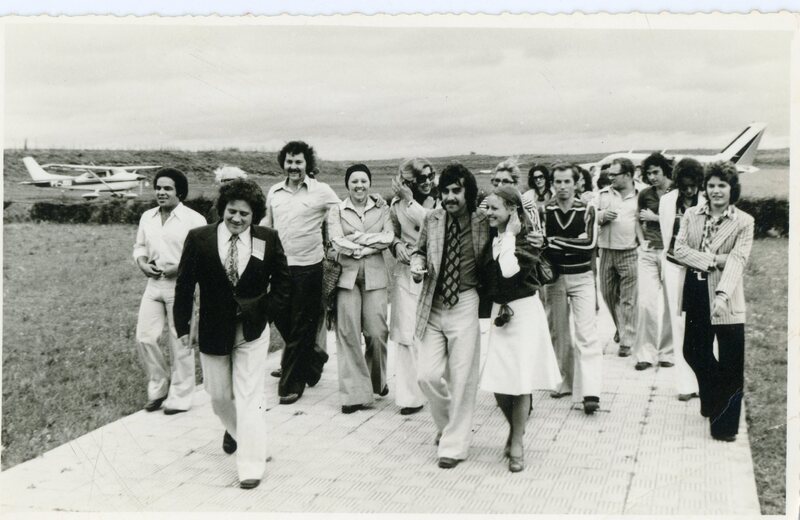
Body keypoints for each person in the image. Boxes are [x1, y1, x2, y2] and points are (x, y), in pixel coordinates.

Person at [173, 179, 291, 489]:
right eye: (231, 212)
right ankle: (247, 438)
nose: (237, 219)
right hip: (213, 328)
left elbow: (283, 282)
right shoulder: (199, 238)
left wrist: (266, 311)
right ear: (222, 209)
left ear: (255, 216)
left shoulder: (267, 238)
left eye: (244, 214)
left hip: (252, 330)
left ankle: (250, 465)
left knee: (250, 396)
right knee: (219, 396)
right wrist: (182, 326)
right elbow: (184, 285)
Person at [411, 163, 489, 469]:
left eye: (456, 190)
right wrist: (417, 265)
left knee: (462, 378)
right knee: (426, 375)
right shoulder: (432, 218)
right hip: (433, 301)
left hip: (466, 302)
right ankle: (447, 427)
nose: (449, 197)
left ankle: (454, 446)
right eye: (445, 191)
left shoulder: (483, 220)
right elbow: (419, 251)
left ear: (469, 192)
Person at [480, 186, 561, 472]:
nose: (489, 213)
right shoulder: (490, 236)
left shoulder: (528, 240)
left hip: (524, 313)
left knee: (521, 380)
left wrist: (511, 236)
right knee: (498, 382)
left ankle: (517, 442)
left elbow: (509, 271)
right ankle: (516, 430)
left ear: (512, 211)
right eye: (487, 207)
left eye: (495, 209)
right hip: (499, 313)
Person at [673, 161, 753, 442]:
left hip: (727, 295)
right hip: (695, 290)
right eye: (711, 185)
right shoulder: (692, 214)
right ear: (705, 188)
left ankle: (725, 427)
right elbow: (679, 250)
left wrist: (722, 295)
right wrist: (714, 260)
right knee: (693, 351)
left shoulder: (744, 221)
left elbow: (738, 260)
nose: (716, 191)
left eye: (722, 185)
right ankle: (713, 395)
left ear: (732, 189)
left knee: (731, 360)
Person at [261, 141, 340, 405]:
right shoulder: (274, 192)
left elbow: (341, 212)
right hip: (280, 266)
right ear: (283, 163)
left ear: (308, 164)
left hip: (310, 266)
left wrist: (337, 241)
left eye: (298, 162)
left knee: (300, 323)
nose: (293, 167)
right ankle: (314, 358)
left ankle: (291, 384)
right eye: (289, 161)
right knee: (278, 313)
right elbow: (266, 226)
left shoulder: (321, 191)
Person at [132, 168, 206, 414]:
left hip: (180, 287)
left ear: (180, 192)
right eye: (158, 188)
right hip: (154, 285)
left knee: (181, 341)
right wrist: (143, 264)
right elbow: (140, 246)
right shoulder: (148, 217)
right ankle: (158, 388)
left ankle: (181, 397)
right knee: (145, 337)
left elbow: (203, 255)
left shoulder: (194, 220)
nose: (161, 192)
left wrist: (181, 268)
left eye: (167, 188)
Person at [327, 164, 394, 414]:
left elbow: (389, 237)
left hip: (375, 276)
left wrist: (357, 242)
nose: (359, 185)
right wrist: (367, 246)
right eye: (354, 181)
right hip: (346, 278)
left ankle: (377, 382)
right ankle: (354, 395)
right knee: (348, 333)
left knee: (377, 332)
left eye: (363, 181)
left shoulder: (382, 207)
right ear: (347, 184)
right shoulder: (337, 210)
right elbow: (336, 241)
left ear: (370, 183)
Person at [541, 164, 602, 414]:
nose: (563, 187)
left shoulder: (587, 209)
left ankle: (591, 392)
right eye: (558, 182)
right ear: (552, 184)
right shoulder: (545, 211)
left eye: (567, 181)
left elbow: (590, 244)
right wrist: (569, 242)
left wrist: (556, 241)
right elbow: (542, 245)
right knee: (559, 333)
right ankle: (565, 381)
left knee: (586, 334)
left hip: (582, 277)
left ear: (576, 183)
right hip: (555, 279)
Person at [388, 157, 438, 415]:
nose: (427, 182)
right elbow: (392, 232)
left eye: (430, 176)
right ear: (408, 181)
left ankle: (436, 388)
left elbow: (433, 225)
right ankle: (410, 397)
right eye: (421, 178)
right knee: (406, 335)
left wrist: (410, 201)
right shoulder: (396, 204)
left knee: (434, 333)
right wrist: (396, 244)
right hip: (406, 273)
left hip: (433, 272)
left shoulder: (439, 200)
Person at [659, 158, 704, 401]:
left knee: (702, 325)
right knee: (679, 326)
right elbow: (666, 236)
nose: (689, 191)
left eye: (693, 186)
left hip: (700, 270)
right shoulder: (667, 202)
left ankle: (704, 381)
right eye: (684, 186)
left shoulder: (707, 201)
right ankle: (685, 384)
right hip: (674, 268)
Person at [633, 153, 675, 371]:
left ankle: (667, 352)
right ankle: (645, 354)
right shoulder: (645, 194)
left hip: (670, 253)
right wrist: (641, 241)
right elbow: (637, 220)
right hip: (649, 253)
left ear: (665, 170)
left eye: (655, 172)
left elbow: (682, 221)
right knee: (646, 303)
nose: (652, 177)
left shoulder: (677, 192)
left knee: (670, 304)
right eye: (648, 173)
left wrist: (655, 218)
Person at [595, 158, 640, 357]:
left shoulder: (641, 194)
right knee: (608, 294)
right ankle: (622, 327)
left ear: (628, 175)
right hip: (606, 251)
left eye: (615, 174)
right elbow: (589, 215)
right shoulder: (603, 194)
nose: (610, 178)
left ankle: (627, 340)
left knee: (629, 299)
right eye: (609, 174)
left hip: (630, 252)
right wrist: (602, 216)